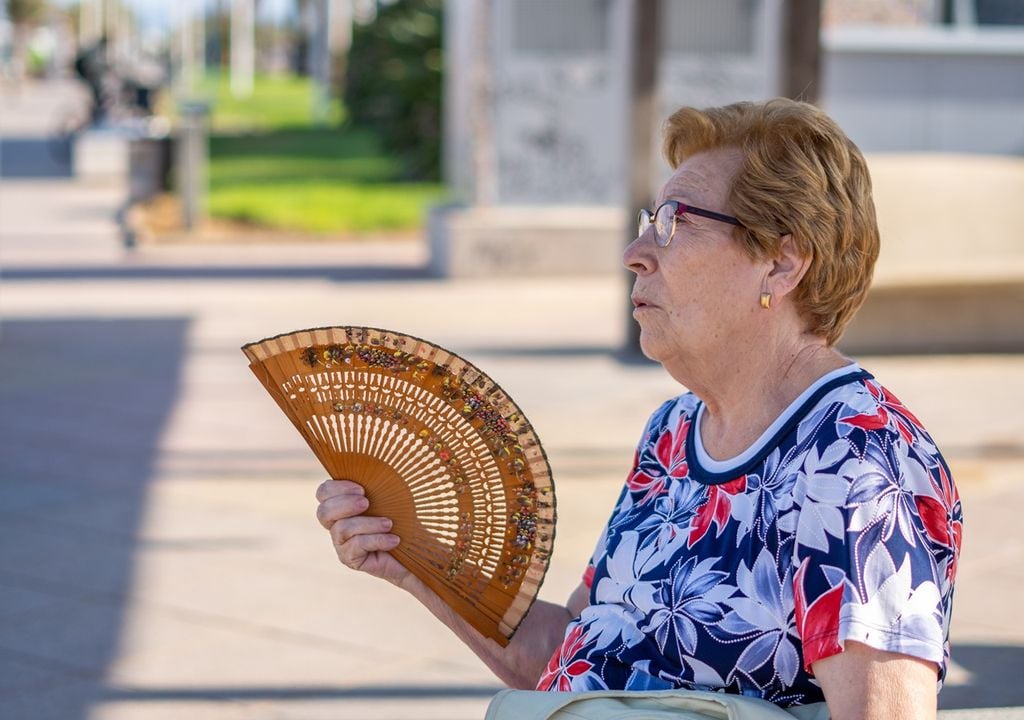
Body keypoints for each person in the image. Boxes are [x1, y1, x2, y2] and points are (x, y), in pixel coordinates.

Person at [315, 98, 962, 718]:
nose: (636, 254)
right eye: (649, 221)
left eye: (675, 223)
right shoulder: (677, 433)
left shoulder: (857, 461)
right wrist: (419, 560)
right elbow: (578, 654)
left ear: (781, 262)